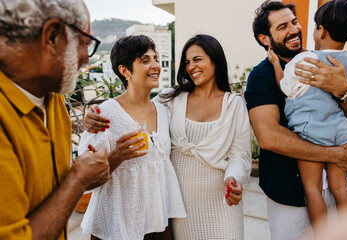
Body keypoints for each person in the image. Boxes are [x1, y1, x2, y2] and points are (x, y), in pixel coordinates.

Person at [84, 34, 252, 239]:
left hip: (187, 211)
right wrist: (92, 115)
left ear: (215, 60)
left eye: (197, 59)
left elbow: (240, 154)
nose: (191, 67)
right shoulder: (170, 99)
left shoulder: (167, 109)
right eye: (187, 62)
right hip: (147, 216)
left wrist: (233, 178)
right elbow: (84, 176)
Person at [0, 0, 116, 239]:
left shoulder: (53, 100)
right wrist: (78, 179)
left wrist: (84, 171)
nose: (87, 57)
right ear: (52, 36)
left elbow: (55, 191)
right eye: (85, 43)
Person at [245, 0, 347, 239]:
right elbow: (268, 137)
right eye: (282, 26)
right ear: (265, 39)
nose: (294, 29)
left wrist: (345, 91)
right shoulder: (260, 76)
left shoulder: (321, 60)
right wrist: (334, 154)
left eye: (294, 22)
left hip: (336, 183)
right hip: (289, 194)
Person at [78, 35, 187, 240]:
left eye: (155, 58)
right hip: (117, 227)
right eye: (145, 60)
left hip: (157, 224)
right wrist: (117, 155)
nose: (155, 65)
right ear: (125, 70)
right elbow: (84, 181)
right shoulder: (104, 114)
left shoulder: (163, 111)